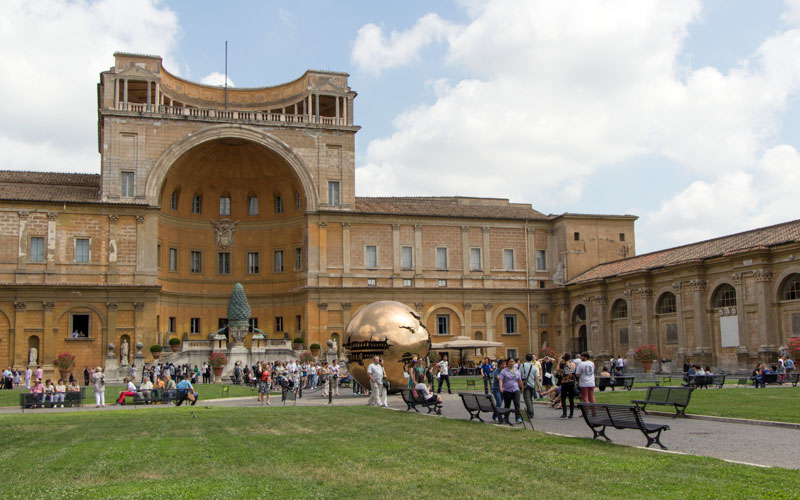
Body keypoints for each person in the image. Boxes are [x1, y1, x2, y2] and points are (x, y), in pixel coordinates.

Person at [498, 357, 523, 424]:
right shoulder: (504, 371)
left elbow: (519, 380)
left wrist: (522, 387)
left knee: (517, 404)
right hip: (507, 390)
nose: (511, 363)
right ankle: (506, 417)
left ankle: (518, 417)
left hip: (515, 389)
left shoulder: (517, 371)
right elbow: (501, 380)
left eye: (513, 362)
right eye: (510, 362)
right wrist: (501, 387)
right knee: (507, 405)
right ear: (507, 363)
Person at [557, 352, 576, 419]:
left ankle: (564, 413)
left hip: (565, 382)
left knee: (563, 398)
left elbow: (557, 370)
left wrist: (558, 361)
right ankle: (571, 414)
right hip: (571, 382)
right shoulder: (573, 364)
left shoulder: (563, 364)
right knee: (571, 399)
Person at [520, 354, 539, 420]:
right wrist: (539, 387)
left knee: (527, 398)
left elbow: (520, 375)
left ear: (525, 358)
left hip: (525, 384)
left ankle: (530, 412)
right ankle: (531, 412)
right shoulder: (534, 367)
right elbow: (536, 378)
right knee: (530, 398)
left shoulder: (522, 365)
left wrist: (519, 384)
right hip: (532, 384)